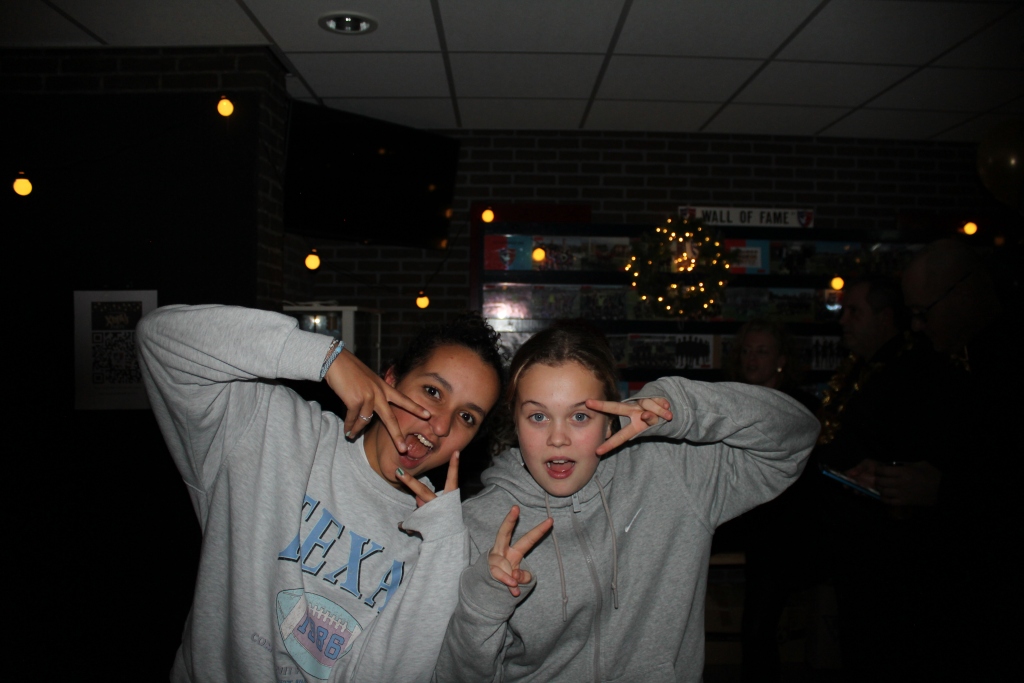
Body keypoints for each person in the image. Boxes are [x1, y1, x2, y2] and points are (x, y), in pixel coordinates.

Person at [135, 304, 505, 683]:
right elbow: (159, 338)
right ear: (390, 380)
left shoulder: (441, 540)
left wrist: (444, 547)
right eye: (432, 391)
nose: (441, 425)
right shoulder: (270, 426)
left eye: (467, 417)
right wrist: (325, 357)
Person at [433, 323, 819, 683]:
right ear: (514, 423)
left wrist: (681, 407)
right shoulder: (480, 523)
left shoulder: (673, 473)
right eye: (537, 416)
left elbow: (797, 437)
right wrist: (481, 607)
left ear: (609, 419)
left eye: (580, 416)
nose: (558, 438)